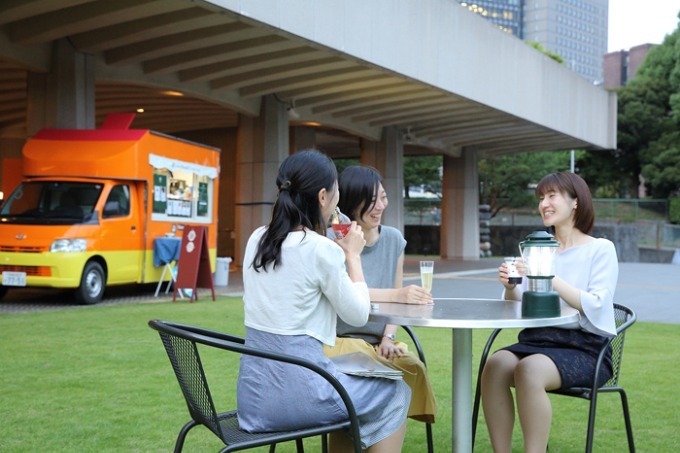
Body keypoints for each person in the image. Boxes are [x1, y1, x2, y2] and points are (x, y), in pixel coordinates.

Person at [237, 150, 411, 452]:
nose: (338, 202)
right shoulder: (320, 249)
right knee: (395, 390)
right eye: (336, 193)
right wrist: (352, 256)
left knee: (354, 380)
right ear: (322, 197)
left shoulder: (256, 239)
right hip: (303, 396)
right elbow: (357, 315)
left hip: (254, 400)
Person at [481, 172, 618, 453]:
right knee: (494, 366)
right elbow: (520, 305)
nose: (544, 203)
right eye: (541, 198)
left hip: (586, 348)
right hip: (537, 340)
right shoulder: (538, 249)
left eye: (552, 195)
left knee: (529, 369)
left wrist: (547, 274)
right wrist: (510, 286)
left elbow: (596, 303)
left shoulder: (600, 249)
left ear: (575, 202)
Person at [324, 165, 437, 424]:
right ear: (352, 203)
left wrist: (389, 337)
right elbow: (345, 293)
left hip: (379, 343)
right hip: (342, 340)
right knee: (383, 380)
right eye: (371, 200)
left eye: (383, 197)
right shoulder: (335, 239)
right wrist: (398, 294)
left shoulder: (394, 239)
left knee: (413, 368)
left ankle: (382, 430)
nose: (379, 206)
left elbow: (395, 307)